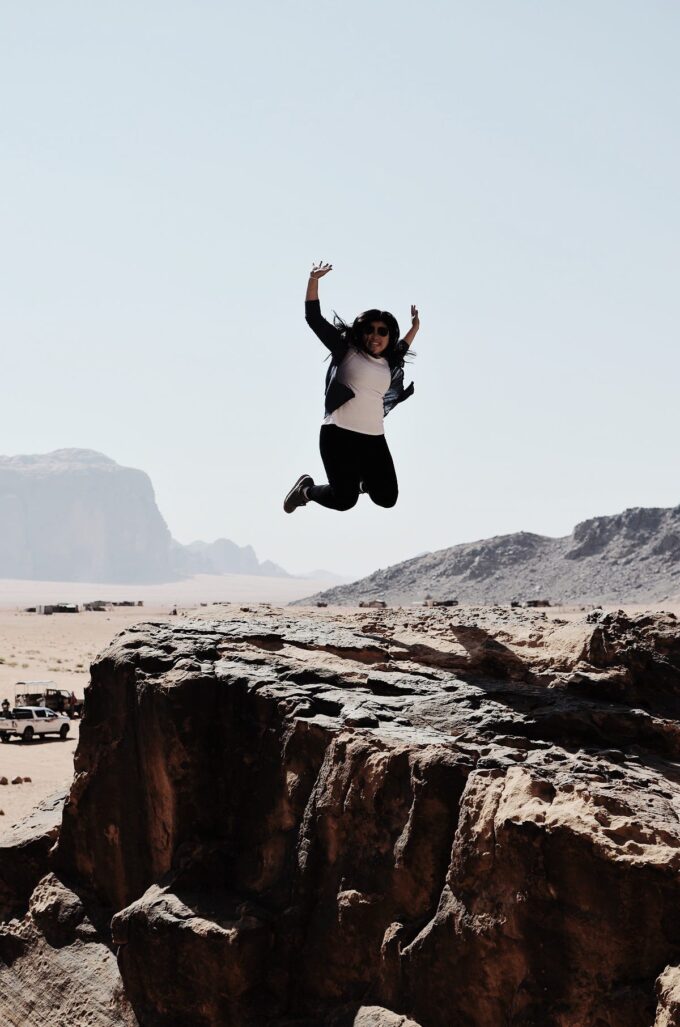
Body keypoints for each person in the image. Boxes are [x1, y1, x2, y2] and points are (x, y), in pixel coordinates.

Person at [284, 261, 419, 514]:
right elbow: (313, 319)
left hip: (373, 439)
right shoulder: (346, 351)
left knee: (387, 497)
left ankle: (358, 480)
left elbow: (401, 349)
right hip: (338, 435)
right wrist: (314, 280)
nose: (375, 335)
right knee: (344, 501)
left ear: (389, 337)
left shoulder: (388, 362)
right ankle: (305, 491)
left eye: (382, 331)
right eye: (369, 330)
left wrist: (414, 328)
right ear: (361, 332)